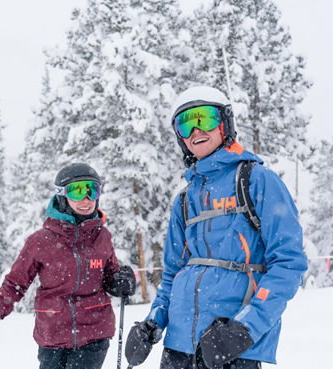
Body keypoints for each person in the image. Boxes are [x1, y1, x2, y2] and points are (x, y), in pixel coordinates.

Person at [125, 86, 308, 369]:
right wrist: (153, 323)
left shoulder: (257, 180)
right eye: (185, 124)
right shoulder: (185, 199)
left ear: (225, 123)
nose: (196, 130)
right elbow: (174, 274)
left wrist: (243, 330)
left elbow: (288, 265)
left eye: (205, 118)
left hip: (231, 348)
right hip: (178, 348)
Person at [0, 163, 136, 369]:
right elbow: (14, 285)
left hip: (94, 335)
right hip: (53, 336)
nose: (86, 198)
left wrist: (121, 282)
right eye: (77, 191)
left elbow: (110, 277)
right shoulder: (41, 241)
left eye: (92, 190)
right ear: (61, 196)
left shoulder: (102, 236)